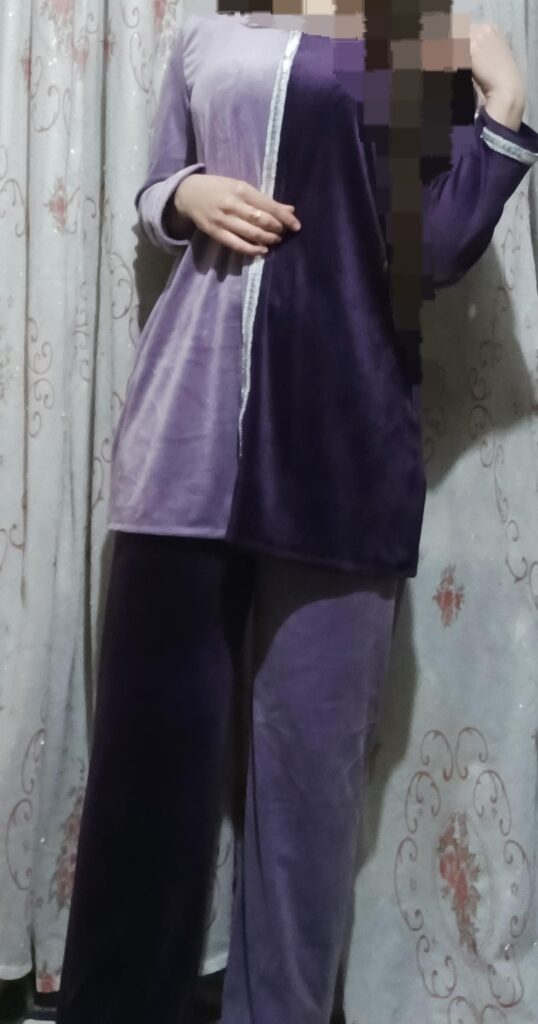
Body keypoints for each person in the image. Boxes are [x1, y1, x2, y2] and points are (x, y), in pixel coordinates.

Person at [55, 7, 538, 1024]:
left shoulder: (408, 48)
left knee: (308, 793)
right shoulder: (207, 38)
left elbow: (432, 250)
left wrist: (502, 105)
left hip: (341, 453)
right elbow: (155, 186)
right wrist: (183, 193)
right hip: (182, 451)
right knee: (147, 780)